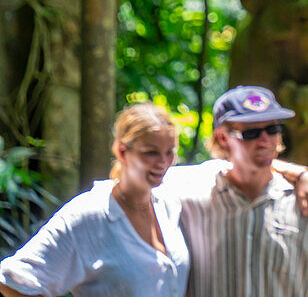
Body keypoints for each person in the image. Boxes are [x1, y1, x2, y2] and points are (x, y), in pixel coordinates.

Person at [158, 85, 308, 297]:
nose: (265, 140)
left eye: (273, 129)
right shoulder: (187, 196)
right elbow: (139, 179)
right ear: (223, 138)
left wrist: (304, 174)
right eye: (251, 133)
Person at [0, 103, 189, 297]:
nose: (163, 163)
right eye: (151, 152)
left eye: (170, 152)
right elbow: (13, 282)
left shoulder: (168, 205)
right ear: (122, 152)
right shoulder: (89, 215)